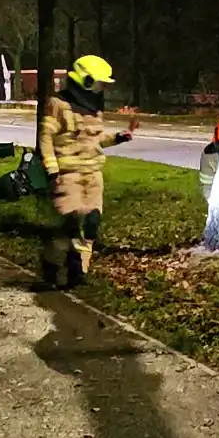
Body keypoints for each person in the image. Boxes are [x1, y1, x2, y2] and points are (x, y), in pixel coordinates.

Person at [37, 55, 134, 290]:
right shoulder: (58, 105)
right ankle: (53, 268)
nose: (101, 88)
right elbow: (46, 138)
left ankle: (79, 268)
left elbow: (96, 140)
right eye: (99, 83)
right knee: (69, 224)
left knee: (90, 222)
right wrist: (52, 169)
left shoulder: (93, 111)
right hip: (67, 175)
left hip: (93, 174)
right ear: (86, 80)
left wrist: (119, 137)